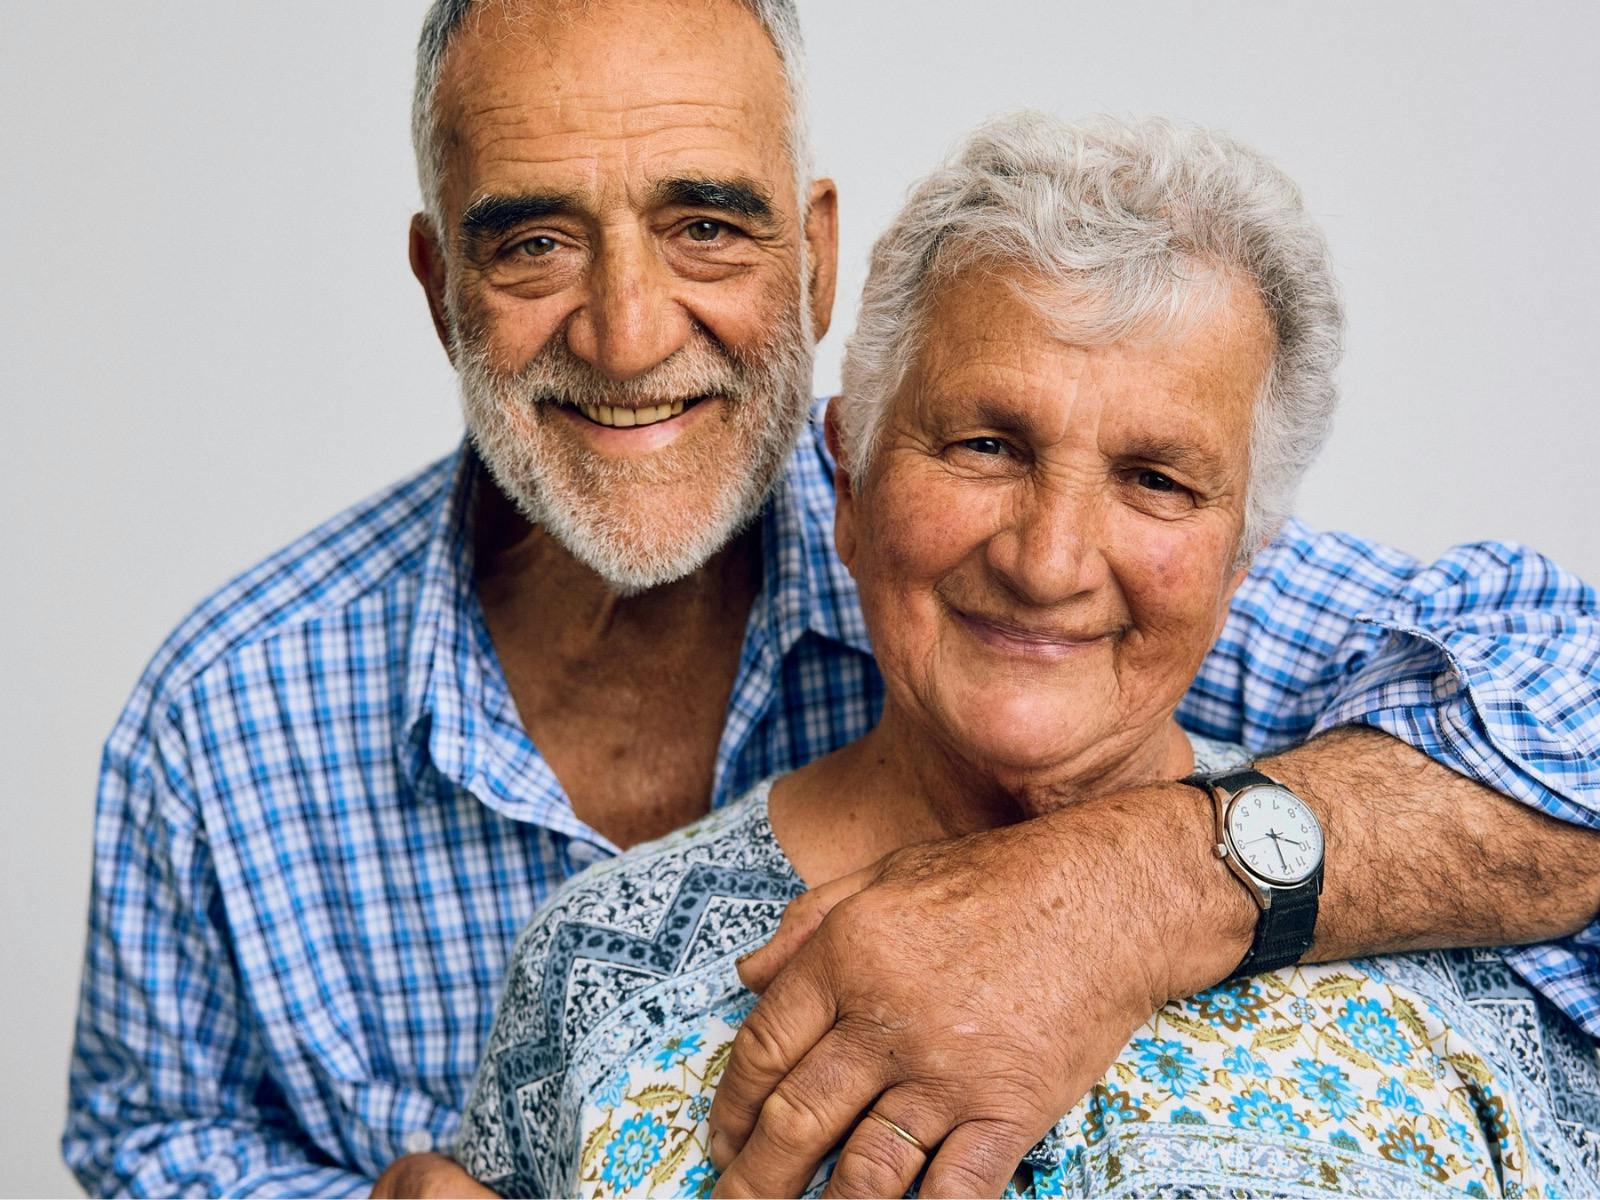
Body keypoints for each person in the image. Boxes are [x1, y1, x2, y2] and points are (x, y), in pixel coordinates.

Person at [61, 1, 1600, 1196]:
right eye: (531, 240)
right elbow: (157, 1141)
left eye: (705, 225)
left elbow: (1571, 713)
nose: (623, 329)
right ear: (436, 287)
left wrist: (1116, 894)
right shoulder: (228, 716)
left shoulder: (1091, 586)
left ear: (812, 265)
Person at [451, 112, 1599, 1199]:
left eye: (1156, 480)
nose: (1048, 562)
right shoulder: (597, 969)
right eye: (986, 445)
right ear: (848, 477)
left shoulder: (1440, 948)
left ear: (1244, 555)